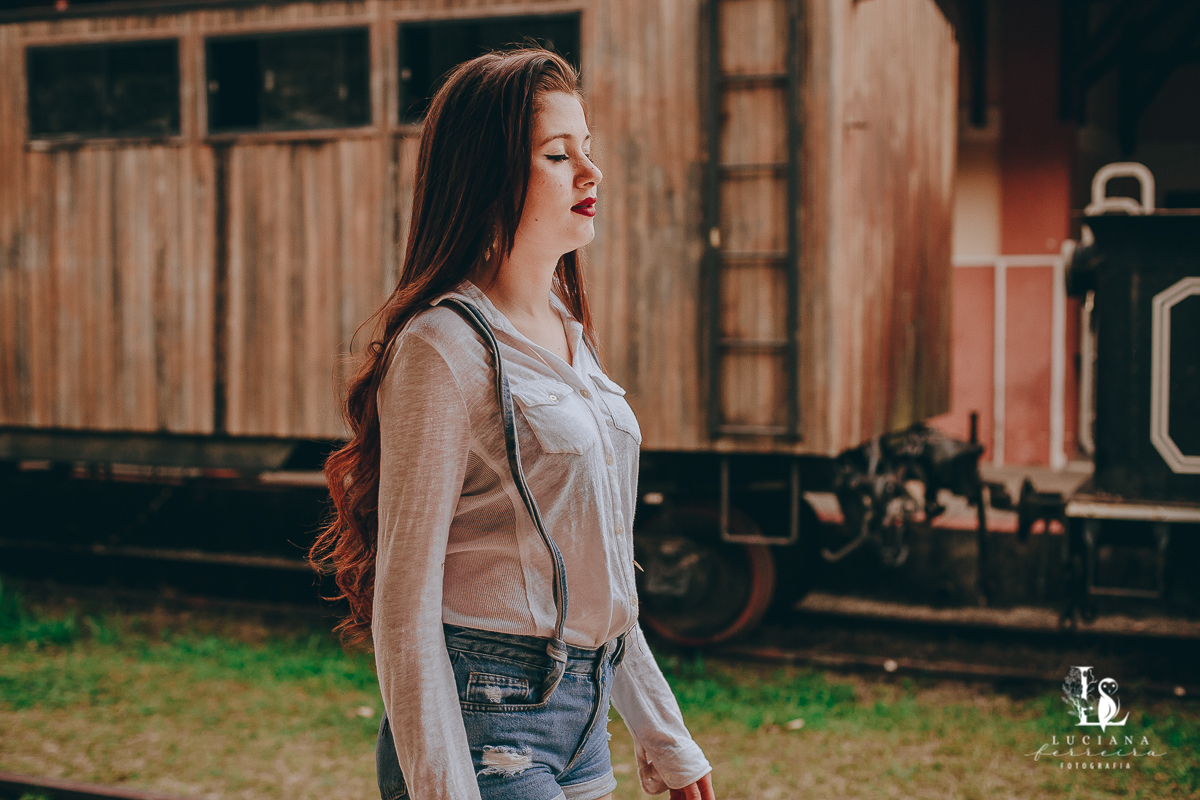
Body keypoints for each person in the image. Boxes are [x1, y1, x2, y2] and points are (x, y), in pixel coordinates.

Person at [310, 48, 715, 800]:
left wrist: (664, 734)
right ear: (488, 176)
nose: (590, 174)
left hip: (582, 717)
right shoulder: (443, 346)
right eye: (559, 155)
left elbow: (604, 567)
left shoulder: (569, 333)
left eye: (587, 151)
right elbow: (405, 601)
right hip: (483, 719)